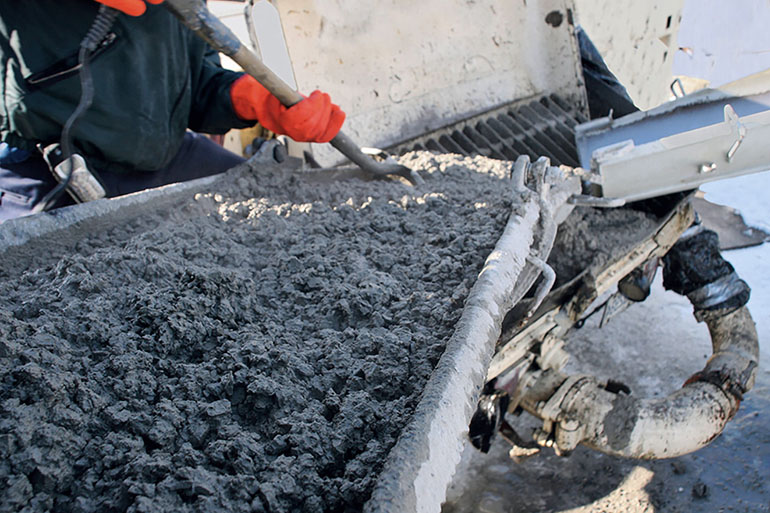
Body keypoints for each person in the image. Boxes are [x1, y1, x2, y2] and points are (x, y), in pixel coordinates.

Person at [0, 0, 345, 221]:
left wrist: (250, 99)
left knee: (290, 206)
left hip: (165, 153)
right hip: (44, 166)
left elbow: (195, 81)